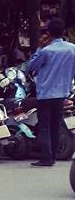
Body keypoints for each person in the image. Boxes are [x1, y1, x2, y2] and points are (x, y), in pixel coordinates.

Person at [26, 17, 75, 167]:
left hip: (46, 94)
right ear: (63, 32)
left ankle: (47, 158)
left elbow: (31, 67)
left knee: (45, 127)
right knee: (55, 126)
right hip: (62, 93)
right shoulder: (72, 49)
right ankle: (52, 156)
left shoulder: (46, 51)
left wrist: (39, 47)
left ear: (49, 33)